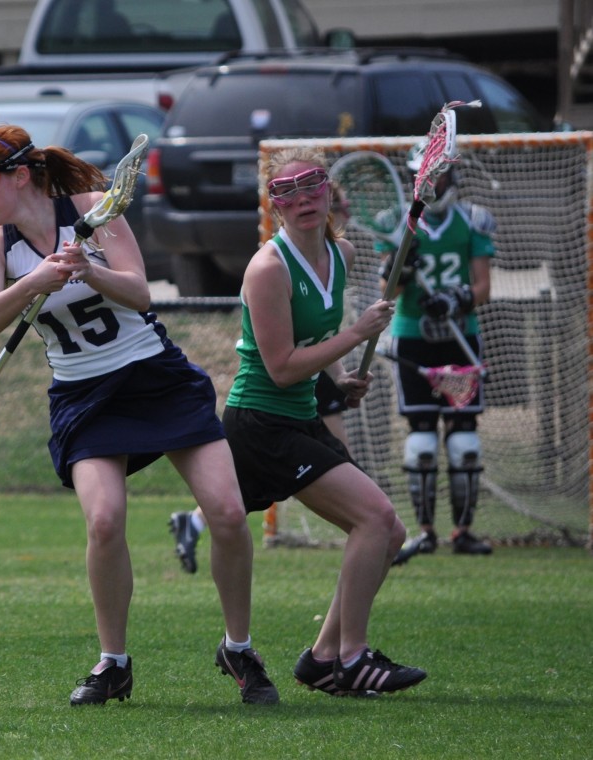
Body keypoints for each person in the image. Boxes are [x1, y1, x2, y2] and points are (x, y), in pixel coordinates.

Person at [0, 123, 278, 706]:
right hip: (83, 397)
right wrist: (35, 279)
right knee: (104, 521)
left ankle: (239, 646)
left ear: (20, 176)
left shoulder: (92, 208)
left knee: (229, 514)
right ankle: (114, 663)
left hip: (155, 377)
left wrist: (88, 269)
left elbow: (139, 292)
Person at [221, 145, 427, 697]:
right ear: (275, 206)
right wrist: (357, 335)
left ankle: (321, 659)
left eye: (312, 184)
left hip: (301, 415)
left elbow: (314, 345)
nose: (302, 198)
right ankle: (353, 658)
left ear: (329, 193)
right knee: (375, 518)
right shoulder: (267, 268)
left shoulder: (343, 254)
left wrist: (339, 379)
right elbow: (282, 368)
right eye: (286, 191)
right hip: (261, 423)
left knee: (390, 532)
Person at [382, 142, 495, 564]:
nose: (432, 183)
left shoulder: (473, 221)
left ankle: (463, 531)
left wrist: (457, 298)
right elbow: (388, 293)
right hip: (412, 338)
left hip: (459, 336)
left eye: (439, 176)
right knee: (422, 443)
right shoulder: (397, 223)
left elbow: (483, 286)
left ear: (452, 177)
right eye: (425, 176)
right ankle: (426, 532)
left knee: (465, 441)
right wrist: (400, 267)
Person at [168, 372, 351, 574]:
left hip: (285, 403)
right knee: (341, 465)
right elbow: (282, 367)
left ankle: (194, 522)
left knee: (237, 497)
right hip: (266, 411)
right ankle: (377, 533)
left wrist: (342, 373)